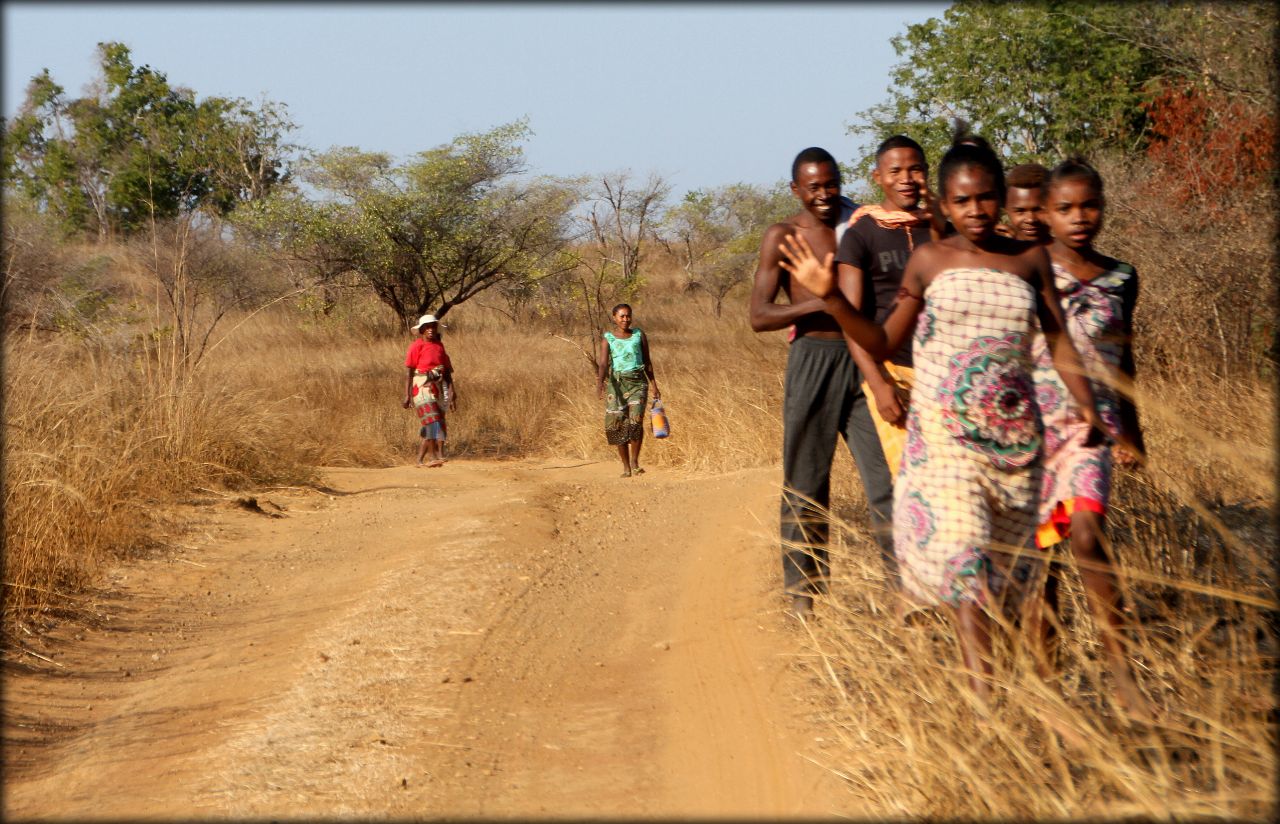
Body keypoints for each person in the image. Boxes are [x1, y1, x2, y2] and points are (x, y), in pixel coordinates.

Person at [777, 132, 1120, 704]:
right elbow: (884, 340)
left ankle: (1029, 686)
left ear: (999, 195)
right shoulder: (929, 259)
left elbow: (1059, 343)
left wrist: (1087, 407)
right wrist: (831, 299)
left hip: (1014, 445)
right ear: (946, 201)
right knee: (965, 561)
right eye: (962, 201)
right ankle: (981, 698)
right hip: (945, 441)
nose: (976, 211)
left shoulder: (1028, 259)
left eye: (985, 197)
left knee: (1010, 576)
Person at [1024, 156, 1151, 718]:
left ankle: (1124, 673)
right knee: (1041, 561)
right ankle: (1048, 685)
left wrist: (1131, 431)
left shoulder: (1122, 277)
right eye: (1065, 208)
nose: (1079, 218)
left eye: (1089, 205)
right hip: (1029, 438)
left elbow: (1124, 360)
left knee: (1084, 532)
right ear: (1045, 214)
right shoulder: (1025, 270)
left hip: (1091, 433)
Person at [749, 146, 895, 620]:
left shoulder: (861, 225)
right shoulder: (783, 236)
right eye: (813, 186)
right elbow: (759, 315)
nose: (825, 194)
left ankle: (904, 583)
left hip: (866, 359)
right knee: (805, 480)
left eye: (831, 183)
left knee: (887, 478)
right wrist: (822, 302)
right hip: (812, 359)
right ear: (796, 189)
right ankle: (802, 597)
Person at [835, 136, 937, 480]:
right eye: (896, 171)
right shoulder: (861, 234)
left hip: (947, 371)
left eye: (915, 169)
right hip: (895, 370)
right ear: (877, 177)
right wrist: (878, 383)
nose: (906, 179)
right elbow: (852, 320)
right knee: (912, 481)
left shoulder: (944, 228)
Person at [596, 303, 660, 478]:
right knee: (618, 426)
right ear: (614, 318)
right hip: (616, 385)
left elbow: (647, 361)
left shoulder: (639, 335)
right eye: (622, 316)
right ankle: (625, 466)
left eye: (628, 316)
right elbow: (603, 364)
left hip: (638, 383)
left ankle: (635, 462)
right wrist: (600, 383)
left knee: (635, 422)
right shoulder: (608, 338)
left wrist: (654, 384)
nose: (625, 319)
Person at [402, 313, 456, 467]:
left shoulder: (439, 346)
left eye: (433, 326)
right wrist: (407, 395)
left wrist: (452, 393)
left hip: (437, 386)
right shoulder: (416, 346)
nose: (430, 329)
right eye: (427, 327)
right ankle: (433, 457)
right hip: (421, 385)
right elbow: (409, 372)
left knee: (435, 422)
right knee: (432, 421)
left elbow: (446, 371)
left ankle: (420, 459)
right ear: (422, 330)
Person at [1004, 163, 1051, 244]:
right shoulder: (997, 253)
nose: (1031, 219)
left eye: (1038, 210)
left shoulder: (1070, 254)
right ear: (1007, 209)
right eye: (1020, 211)